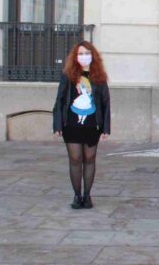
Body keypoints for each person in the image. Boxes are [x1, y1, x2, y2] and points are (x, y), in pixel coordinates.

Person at [52, 41, 111, 210]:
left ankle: (87, 195)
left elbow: (106, 102)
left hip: (93, 125)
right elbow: (60, 99)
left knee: (90, 159)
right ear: (75, 57)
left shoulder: (99, 76)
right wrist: (57, 124)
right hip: (71, 124)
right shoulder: (68, 75)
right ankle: (77, 196)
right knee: (75, 159)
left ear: (93, 56)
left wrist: (106, 127)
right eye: (80, 54)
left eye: (86, 53)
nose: (83, 56)